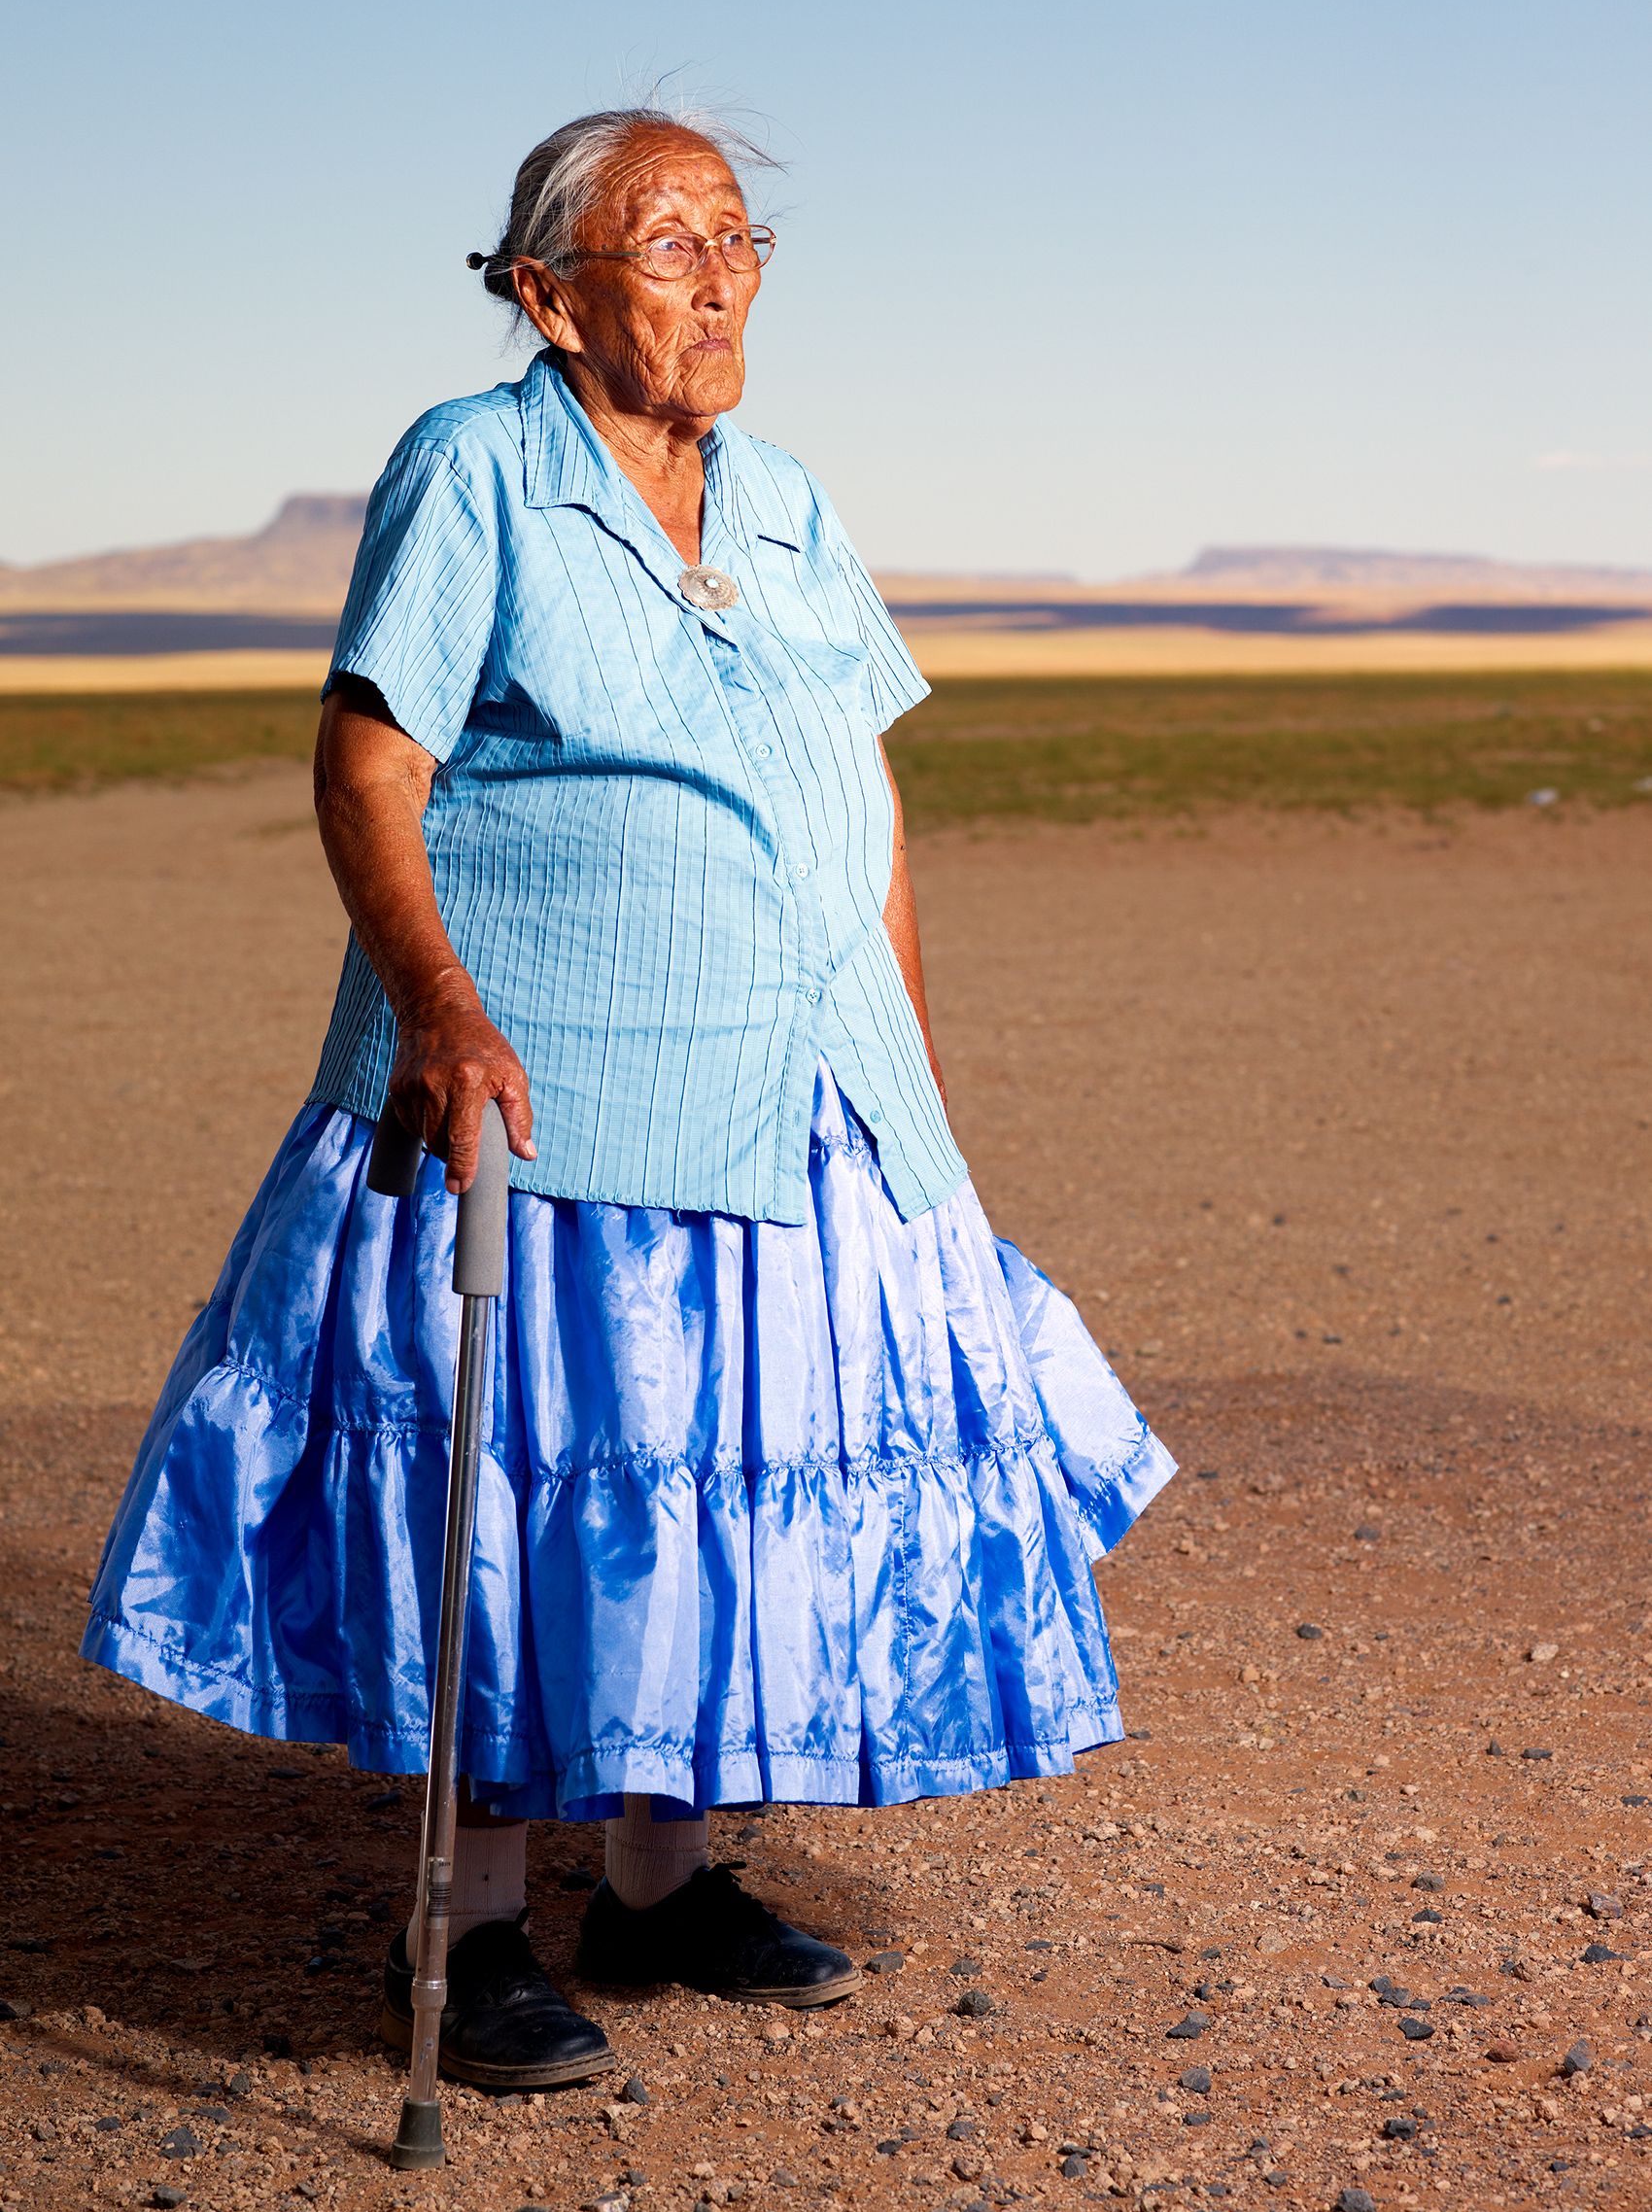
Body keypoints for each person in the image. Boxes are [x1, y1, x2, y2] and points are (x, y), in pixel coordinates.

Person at [83, 106, 1175, 2091]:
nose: (717, 274)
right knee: (525, 1489)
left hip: (807, 1084)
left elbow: (870, 790)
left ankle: (661, 1878)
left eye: (737, 237)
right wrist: (433, 1004)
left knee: (728, 1486)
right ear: (546, 292)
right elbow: (367, 765)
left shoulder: (786, 502)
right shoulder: (476, 467)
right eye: (664, 242)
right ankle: (476, 1914)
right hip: (554, 1089)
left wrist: (908, 1071)